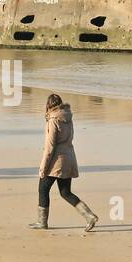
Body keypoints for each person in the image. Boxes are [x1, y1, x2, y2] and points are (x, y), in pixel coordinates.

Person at [28, 93, 99, 232]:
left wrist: (43, 167)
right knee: (65, 192)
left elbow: (50, 147)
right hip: (69, 158)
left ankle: (42, 222)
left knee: (43, 189)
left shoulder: (53, 120)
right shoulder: (68, 117)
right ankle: (89, 216)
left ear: (48, 106)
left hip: (56, 161)